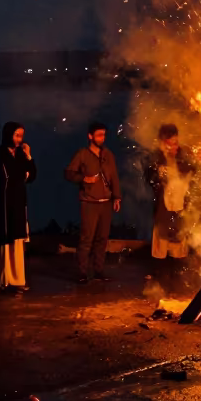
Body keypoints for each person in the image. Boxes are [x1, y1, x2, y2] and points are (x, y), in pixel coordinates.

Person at [65, 121, 122, 284]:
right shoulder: (82, 154)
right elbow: (69, 173)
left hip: (106, 203)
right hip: (89, 203)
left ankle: (99, 270)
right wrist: (84, 179)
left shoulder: (108, 155)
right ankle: (82, 272)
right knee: (86, 239)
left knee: (102, 239)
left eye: (103, 134)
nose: (101, 138)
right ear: (90, 136)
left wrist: (117, 197)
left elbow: (114, 177)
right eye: (98, 135)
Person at [145, 123, 196, 290]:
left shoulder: (183, 156)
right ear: (162, 142)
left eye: (176, 142)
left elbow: (192, 171)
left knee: (178, 247)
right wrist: (159, 174)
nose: (174, 146)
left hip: (180, 207)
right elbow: (149, 179)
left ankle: (176, 284)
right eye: (170, 143)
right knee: (161, 246)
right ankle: (159, 284)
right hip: (164, 209)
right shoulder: (156, 158)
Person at [0, 122, 37, 295]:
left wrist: (29, 156)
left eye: (21, 136)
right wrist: (21, 175)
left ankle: (16, 280)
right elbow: (2, 178)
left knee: (16, 243)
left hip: (17, 204)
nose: (19, 139)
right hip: (2, 204)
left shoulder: (21, 155)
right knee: (2, 243)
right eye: (16, 135)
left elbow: (31, 176)